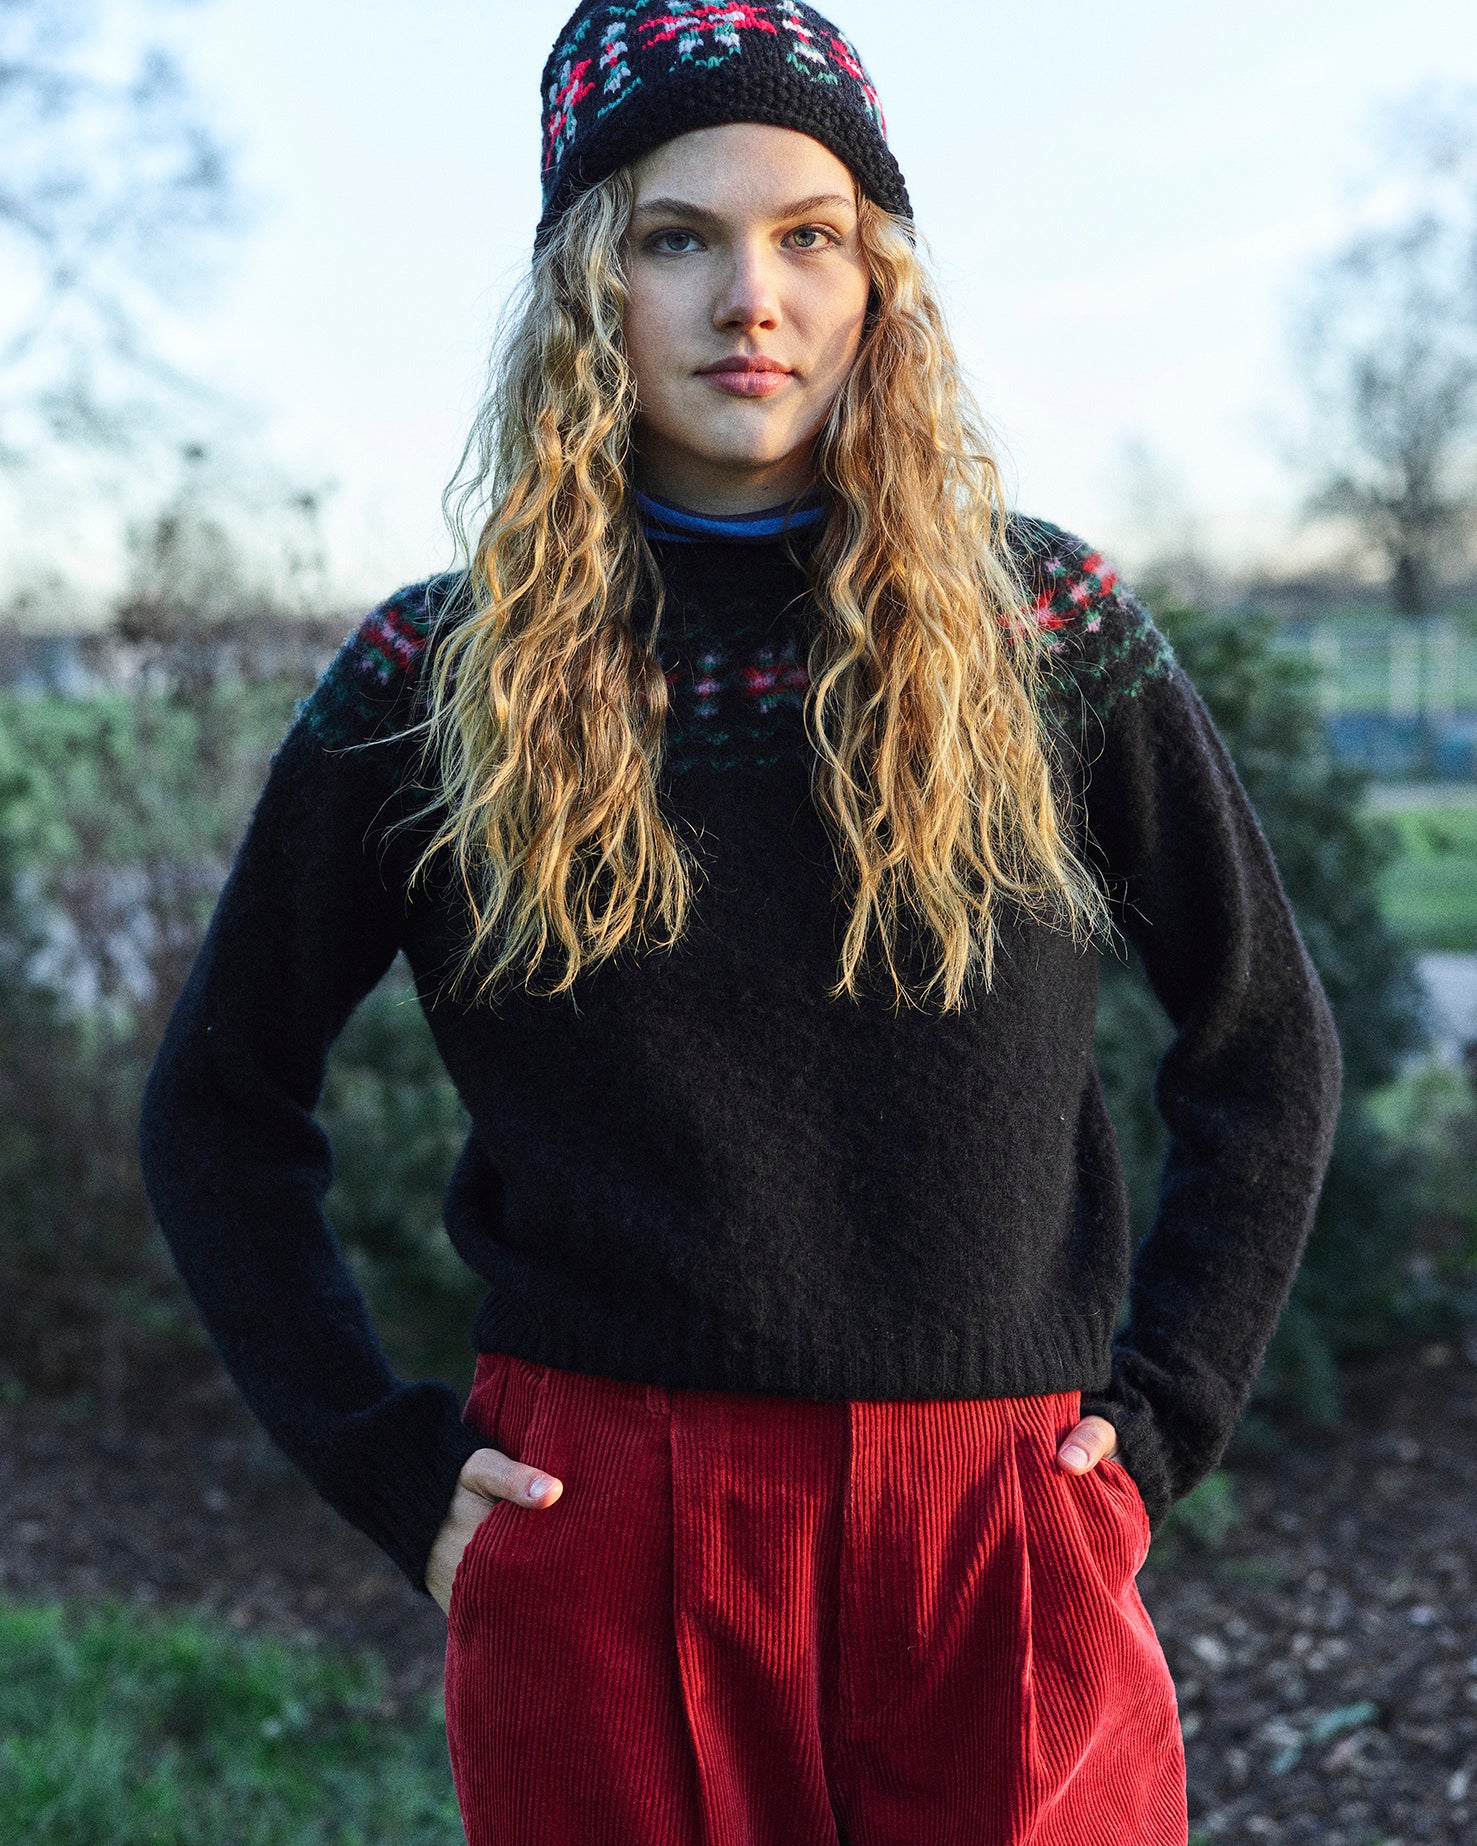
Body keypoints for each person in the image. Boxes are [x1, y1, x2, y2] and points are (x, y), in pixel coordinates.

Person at [137, 3, 1344, 1841]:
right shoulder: (436, 677)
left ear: (880, 286)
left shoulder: (1042, 631)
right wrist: (383, 1459)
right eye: (673, 238)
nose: (747, 299)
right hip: (600, 1528)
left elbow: (1263, 1046)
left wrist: (1158, 1421)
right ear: (584, 290)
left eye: (808, 237)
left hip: (995, 1524)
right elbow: (220, 1099)